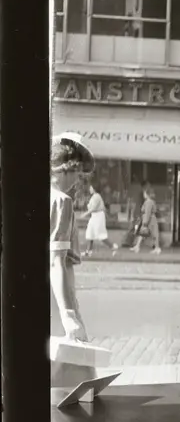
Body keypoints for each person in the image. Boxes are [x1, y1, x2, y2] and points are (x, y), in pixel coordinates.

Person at [50, 137, 95, 341]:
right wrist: (70, 315)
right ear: (65, 169)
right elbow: (57, 262)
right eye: (77, 173)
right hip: (57, 299)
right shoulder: (62, 201)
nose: (77, 181)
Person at [81, 179, 118, 258]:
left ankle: (113, 247)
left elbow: (93, 208)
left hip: (98, 217)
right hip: (94, 216)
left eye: (91, 187)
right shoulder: (94, 196)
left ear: (94, 188)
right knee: (90, 233)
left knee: (100, 234)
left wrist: (85, 214)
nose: (90, 189)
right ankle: (88, 251)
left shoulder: (97, 196)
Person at [131, 184, 161, 254]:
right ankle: (137, 246)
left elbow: (147, 212)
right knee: (144, 233)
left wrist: (145, 222)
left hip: (149, 220)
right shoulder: (150, 201)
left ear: (147, 194)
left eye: (144, 193)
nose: (143, 195)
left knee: (152, 233)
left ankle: (156, 248)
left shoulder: (148, 202)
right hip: (150, 219)